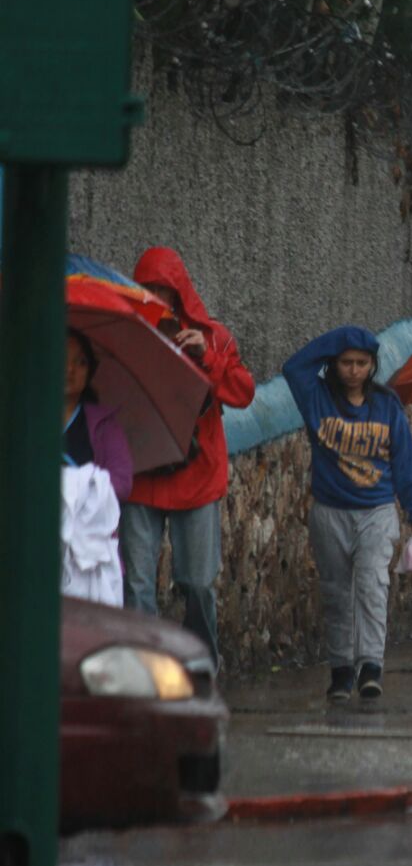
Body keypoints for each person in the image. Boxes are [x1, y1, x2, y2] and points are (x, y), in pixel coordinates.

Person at [121, 247, 256, 665]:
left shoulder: (212, 335)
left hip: (196, 478)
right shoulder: (124, 333)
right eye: (148, 289)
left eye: (166, 289)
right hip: (142, 474)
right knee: (138, 584)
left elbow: (244, 392)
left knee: (196, 582)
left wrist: (207, 358)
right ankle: (145, 670)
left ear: (181, 292)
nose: (158, 297)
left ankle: (201, 665)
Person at [285, 326, 412, 701]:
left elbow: (405, 462)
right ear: (334, 363)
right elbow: (294, 368)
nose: (353, 370)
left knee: (371, 586)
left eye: (361, 363)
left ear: (372, 365)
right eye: (346, 362)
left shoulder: (386, 405)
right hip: (329, 512)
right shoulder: (317, 398)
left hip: (377, 512)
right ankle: (340, 670)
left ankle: (370, 666)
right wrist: (339, 340)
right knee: (336, 594)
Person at [64, 328, 133, 502]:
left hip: (87, 526)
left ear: (90, 372)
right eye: (61, 358)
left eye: (81, 362)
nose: (70, 369)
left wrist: (77, 485)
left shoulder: (104, 425)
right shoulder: (28, 420)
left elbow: (122, 483)